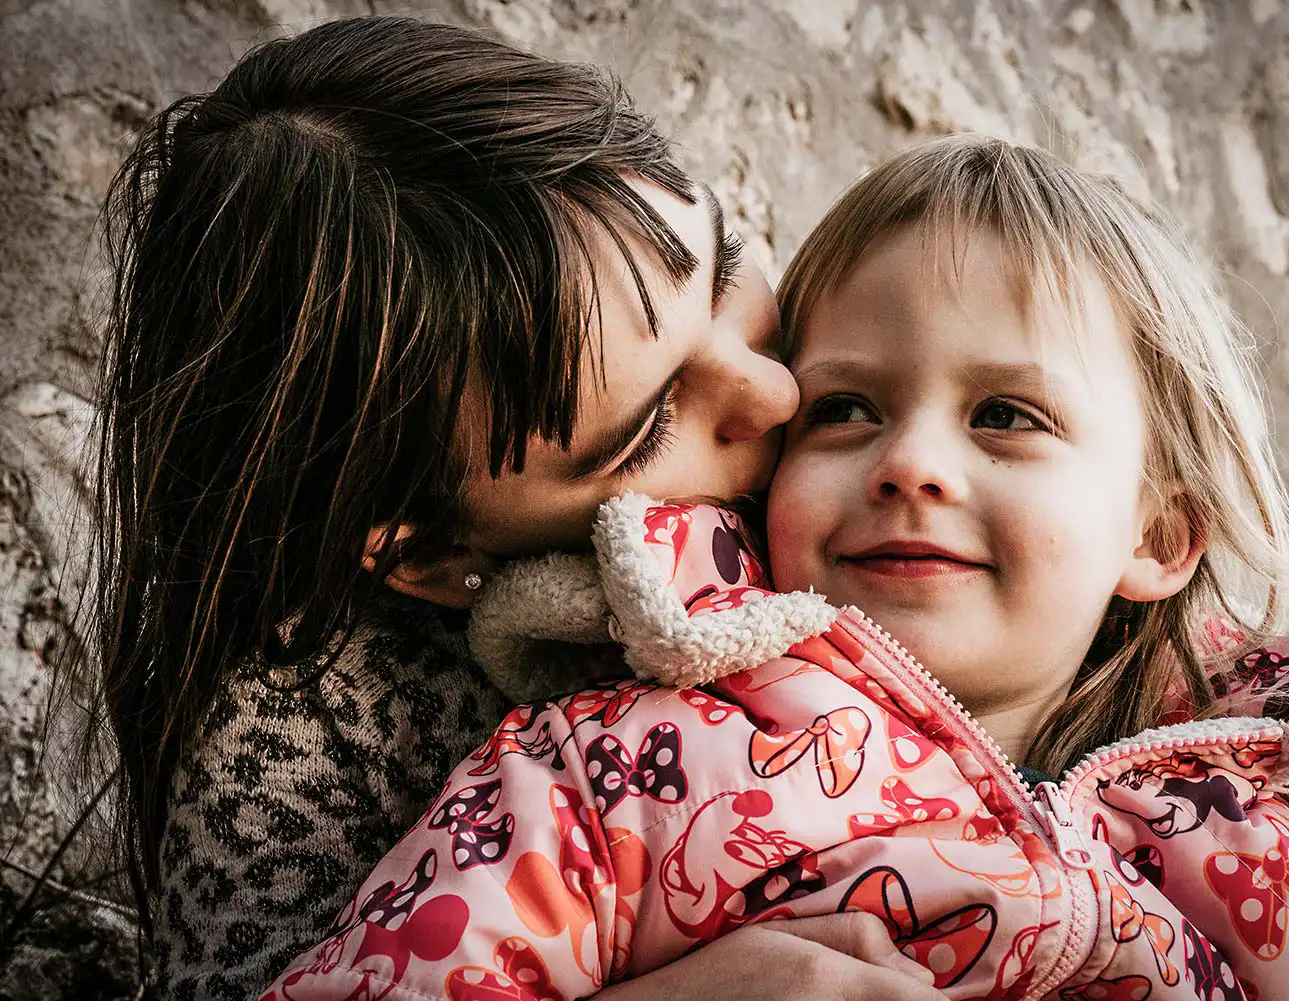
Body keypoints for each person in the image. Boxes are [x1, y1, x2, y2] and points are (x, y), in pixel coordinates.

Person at [259, 137, 1289, 999]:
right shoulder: (617, 771)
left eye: (1008, 414)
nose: (911, 461)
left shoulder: (1260, 858)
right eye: (848, 406)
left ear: (1158, 536)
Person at [86, 15, 946, 1001]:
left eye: (724, 270)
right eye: (650, 424)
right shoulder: (294, 742)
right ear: (431, 555)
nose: (774, 394)